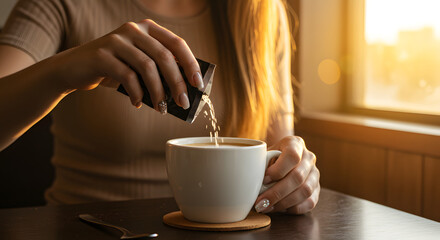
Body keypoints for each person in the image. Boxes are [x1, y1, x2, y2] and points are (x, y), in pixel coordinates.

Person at [0, 0, 320, 214]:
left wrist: (295, 177)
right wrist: (65, 70)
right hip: (88, 230)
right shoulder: (61, 5)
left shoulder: (258, 12)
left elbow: (279, 153)